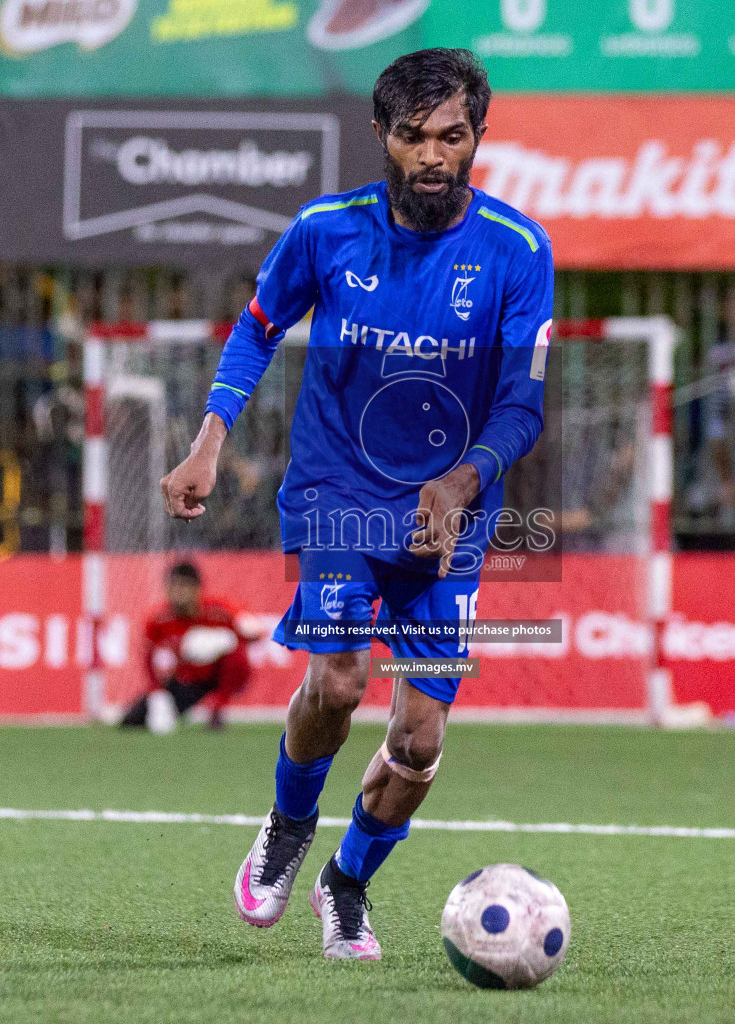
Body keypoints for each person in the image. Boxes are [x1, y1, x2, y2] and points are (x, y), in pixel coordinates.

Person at [161, 49, 551, 961]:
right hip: (336, 490)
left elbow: (522, 403)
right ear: (382, 135)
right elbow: (258, 326)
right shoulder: (324, 230)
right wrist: (210, 438)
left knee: (418, 740)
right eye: (413, 136)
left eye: (450, 136)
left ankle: (347, 885)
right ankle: (290, 824)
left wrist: (461, 483)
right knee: (336, 681)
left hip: (448, 512)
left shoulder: (518, 251)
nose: (431, 156)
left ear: (477, 138)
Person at [119, 561, 259, 733]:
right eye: (173, 586)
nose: (178, 593)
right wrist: (157, 691)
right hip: (188, 679)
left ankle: (217, 709)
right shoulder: (159, 619)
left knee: (235, 651)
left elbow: (254, 633)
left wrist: (223, 639)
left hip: (219, 673)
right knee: (132, 721)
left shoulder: (218, 611)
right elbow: (147, 657)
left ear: (197, 589)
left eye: (184, 586)